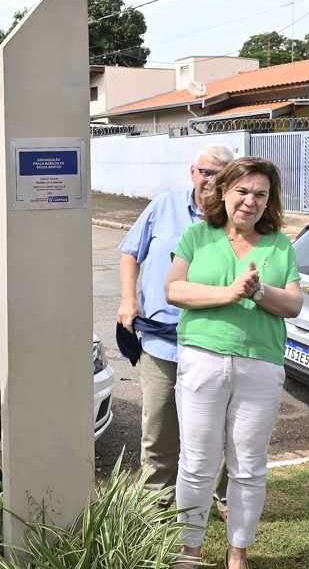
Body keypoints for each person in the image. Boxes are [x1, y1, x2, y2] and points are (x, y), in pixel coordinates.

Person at [164, 156, 303, 569]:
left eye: (261, 194)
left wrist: (259, 293)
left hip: (260, 366)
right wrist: (230, 293)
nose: (250, 201)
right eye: (242, 191)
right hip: (202, 359)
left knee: (248, 467)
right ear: (223, 191)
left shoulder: (279, 244)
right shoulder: (197, 235)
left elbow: (293, 304)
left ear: (269, 201)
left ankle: (237, 553)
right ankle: (189, 550)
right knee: (197, 463)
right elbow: (174, 290)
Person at [118, 144, 234, 516]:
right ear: (192, 172)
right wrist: (127, 299)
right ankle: (156, 501)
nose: (209, 181)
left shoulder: (236, 217)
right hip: (161, 340)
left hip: (214, 339)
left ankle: (222, 496)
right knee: (158, 429)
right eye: (204, 172)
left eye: (218, 174)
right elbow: (130, 253)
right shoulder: (163, 206)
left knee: (218, 427)